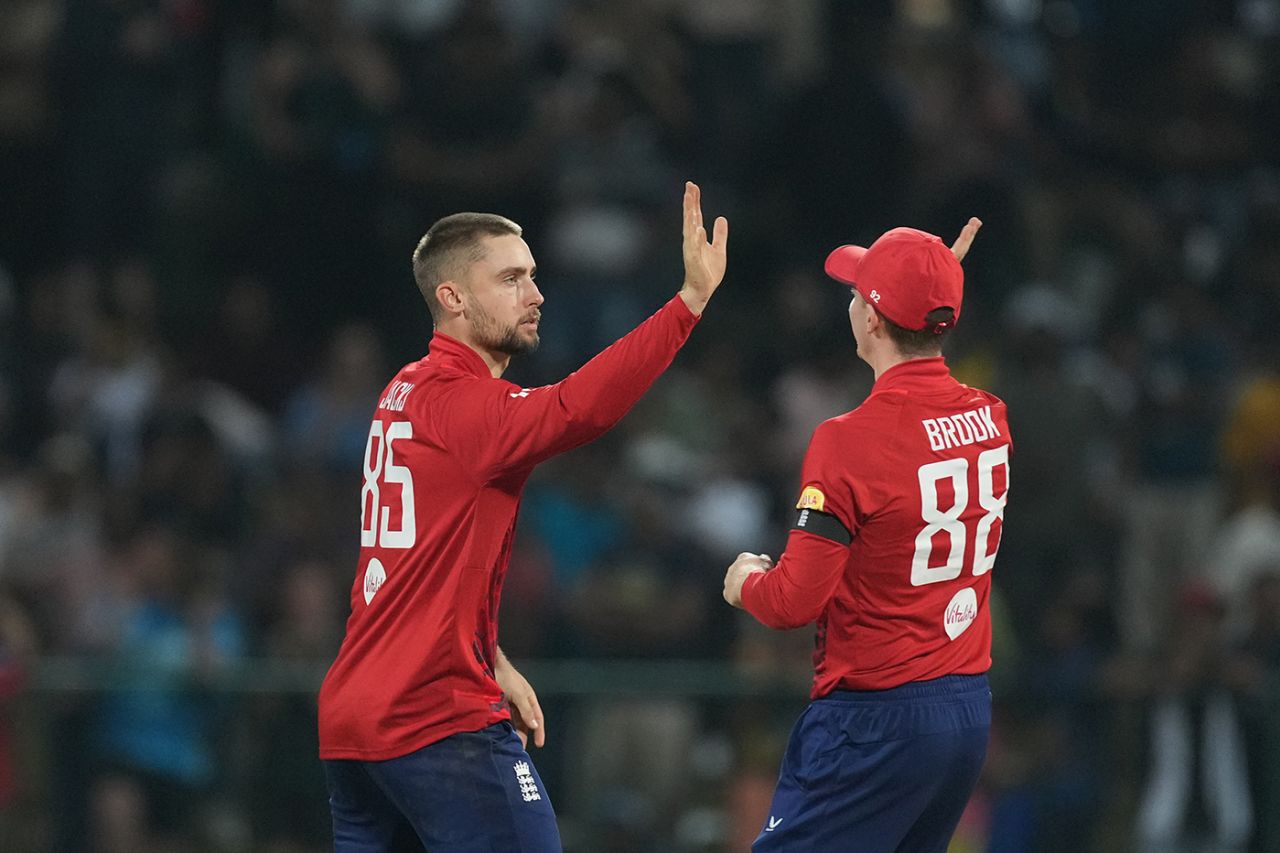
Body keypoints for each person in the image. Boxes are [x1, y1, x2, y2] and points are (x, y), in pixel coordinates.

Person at [318, 182, 728, 852]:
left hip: (356, 715)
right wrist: (687, 306)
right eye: (510, 278)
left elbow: (412, 563)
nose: (535, 295)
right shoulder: (465, 404)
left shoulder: (405, 390)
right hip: (431, 715)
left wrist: (491, 653)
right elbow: (578, 408)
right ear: (451, 297)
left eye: (534, 276)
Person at [722, 219, 1010, 852]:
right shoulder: (991, 418)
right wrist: (933, 283)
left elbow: (793, 601)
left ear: (872, 320)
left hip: (875, 718)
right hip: (964, 711)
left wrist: (744, 583)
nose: (850, 301)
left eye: (858, 291)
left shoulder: (847, 439)